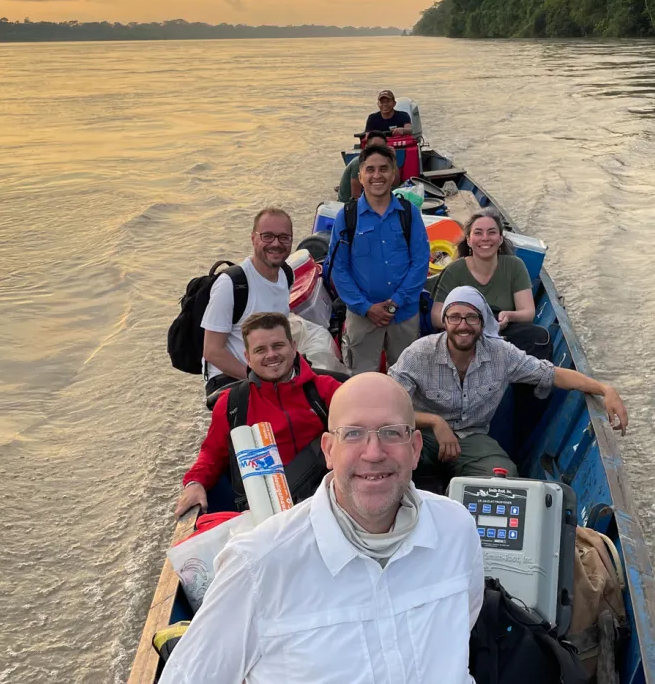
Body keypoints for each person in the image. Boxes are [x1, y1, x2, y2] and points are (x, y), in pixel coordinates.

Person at [159, 373, 485, 684]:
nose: (373, 453)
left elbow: (463, 625)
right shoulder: (259, 564)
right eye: (353, 433)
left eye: (391, 432)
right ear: (329, 450)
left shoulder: (456, 529)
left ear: (415, 449)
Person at [390, 286, 629, 479]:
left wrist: (605, 389)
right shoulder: (419, 354)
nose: (463, 325)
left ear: (482, 323)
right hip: (421, 436)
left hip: (472, 440)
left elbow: (552, 374)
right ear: (445, 321)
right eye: (454, 317)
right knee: (390, 458)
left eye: (471, 317)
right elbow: (386, 405)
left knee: (502, 479)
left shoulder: (501, 354)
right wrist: (434, 422)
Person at [176, 312, 344, 517]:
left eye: (278, 346)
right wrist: (194, 483)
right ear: (247, 357)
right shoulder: (232, 404)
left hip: (328, 501)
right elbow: (212, 453)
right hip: (266, 513)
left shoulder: (327, 390)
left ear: (293, 346)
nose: (271, 355)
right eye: (260, 350)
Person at [327, 143, 430, 373]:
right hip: (362, 316)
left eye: (384, 169)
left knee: (408, 379)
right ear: (360, 175)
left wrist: (397, 301)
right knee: (362, 381)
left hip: (404, 314)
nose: (377, 175)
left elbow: (421, 261)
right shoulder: (346, 217)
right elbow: (340, 269)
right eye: (370, 169)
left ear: (393, 174)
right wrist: (366, 307)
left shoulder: (409, 213)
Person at [200, 208, 294, 396]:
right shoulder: (231, 284)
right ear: (253, 238)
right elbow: (212, 351)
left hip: (269, 370)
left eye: (284, 237)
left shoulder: (286, 274)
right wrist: (259, 381)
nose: (276, 244)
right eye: (267, 236)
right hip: (232, 379)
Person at [430, 209, 535, 332]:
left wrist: (509, 316)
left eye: (491, 232)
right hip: (464, 335)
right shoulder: (454, 271)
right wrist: (469, 324)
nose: (485, 238)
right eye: (478, 233)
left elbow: (528, 312)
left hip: (503, 333)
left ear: (500, 239)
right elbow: (436, 317)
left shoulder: (515, 266)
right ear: (469, 240)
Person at [336, 131, 390, 203]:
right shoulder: (358, 163)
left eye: (381, 147)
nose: (378, 151)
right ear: (367, 147)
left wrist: (393, 160)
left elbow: (395, 183)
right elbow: (355, 197)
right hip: (348, 205)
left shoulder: (385, 161)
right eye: (374, 147)